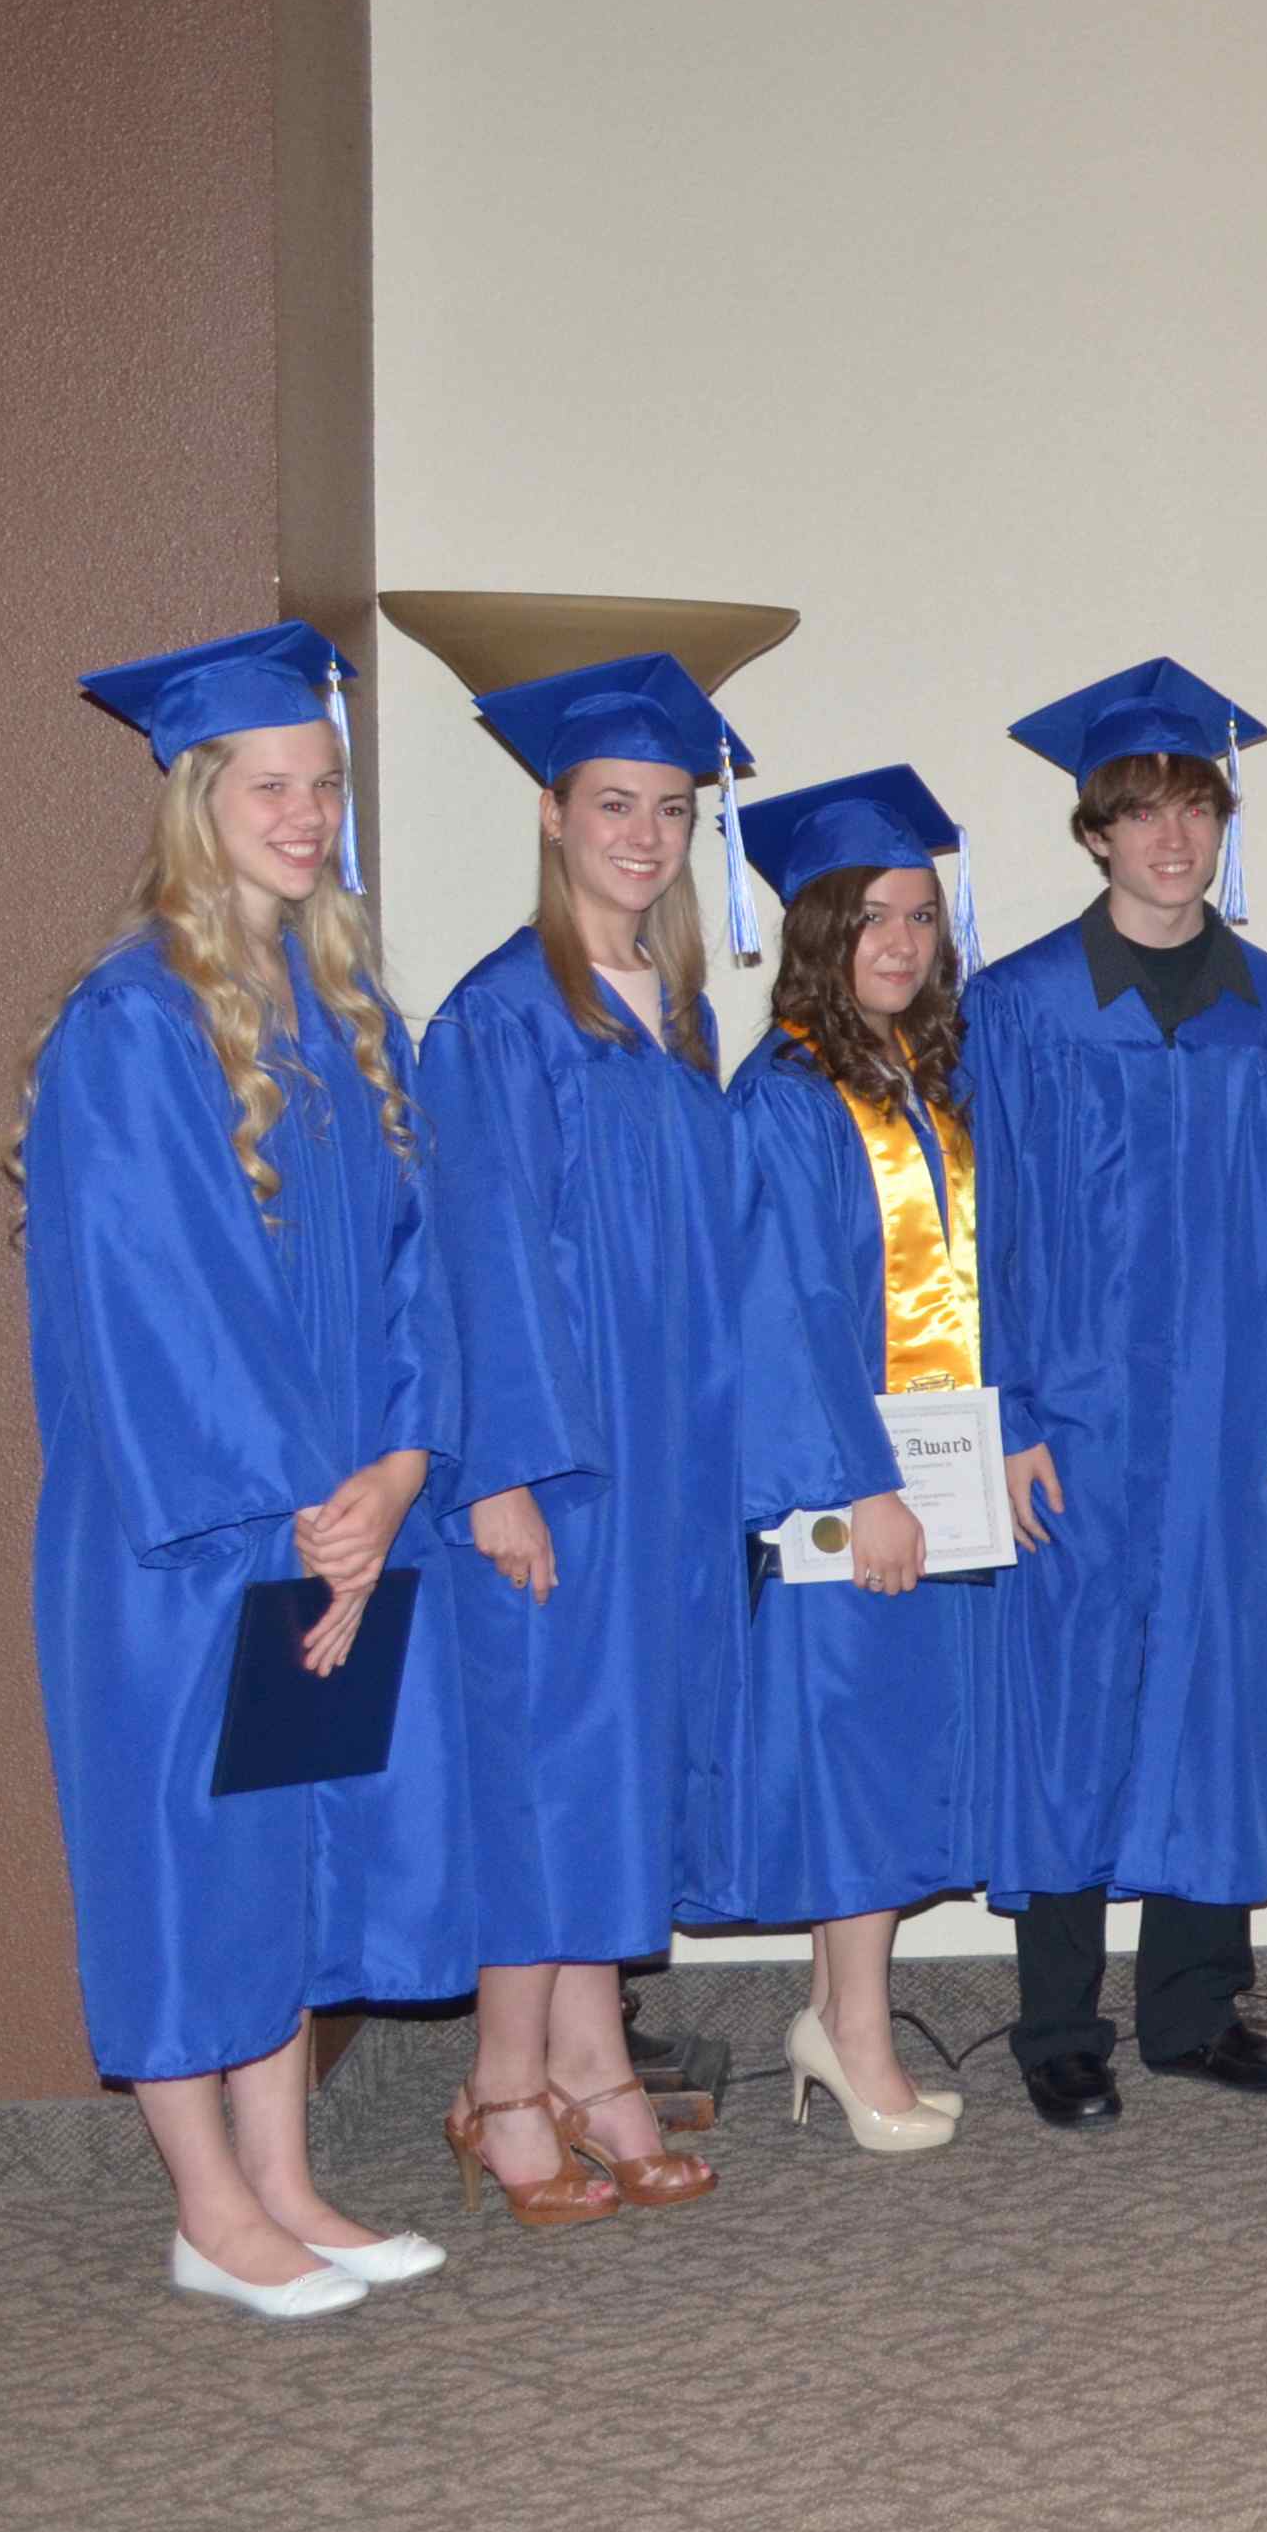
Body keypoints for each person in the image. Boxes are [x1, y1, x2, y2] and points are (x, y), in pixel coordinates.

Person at [22, 624, 469, 2311]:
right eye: (269, 784)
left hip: (333, 1519)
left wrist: (407, 1463)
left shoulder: (349, 1017)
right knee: (183, 1845)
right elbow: (158, 1306)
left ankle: (286, 2172)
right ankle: (209, 2203)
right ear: (201, 800)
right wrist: (311, 1498)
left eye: (324, 782)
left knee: (289, 1839)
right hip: (192, 1531)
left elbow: (427, 1270)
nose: (302, 811)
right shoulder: (133, 1024)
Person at [966, 658, 1267, 2125]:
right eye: (1143, 814)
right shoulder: (1029, 1002)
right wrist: (1012, 1418)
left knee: (1216, 1692)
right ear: (1096, 832)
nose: (1174, 841)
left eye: (1196, 811)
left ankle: (1191, 2007)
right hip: (1082, 1412)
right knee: (1068, 1701)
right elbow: (987, 1239)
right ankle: (1058, 2023)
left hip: (1228, 1416)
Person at [416, 651, 748, 2225]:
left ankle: (594, 2060)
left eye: (672, 809)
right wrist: (501, 1477)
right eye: (615, 804)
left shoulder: (676, 1010)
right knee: (540, 1771)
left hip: (657, 1456)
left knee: (610, 1767)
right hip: (553, 1465)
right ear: (553, 816)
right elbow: (482, 1258)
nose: (646, 834)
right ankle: (501, 2084)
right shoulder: (502, 1016)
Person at [704, 766, 1006, 2156]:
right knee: (851, 1759)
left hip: (926, 1474)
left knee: (880, 1749)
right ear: (819, 932)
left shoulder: (916, 1081)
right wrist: (861, 1486)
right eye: (872, 917)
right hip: (851, 1491)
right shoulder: (785, 1096)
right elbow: (788, 1312)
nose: (901, 942)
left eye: (922, 917)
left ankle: (839, 2019)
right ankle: (858, 2040)